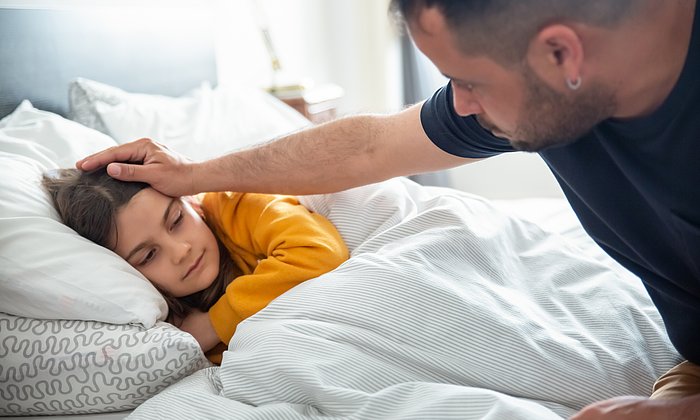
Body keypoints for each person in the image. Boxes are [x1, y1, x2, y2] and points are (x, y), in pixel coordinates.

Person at [76, 0, 699, 418]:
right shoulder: (556, 89)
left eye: (468, 79)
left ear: (560, 54)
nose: (457, 104)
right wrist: (194, 174)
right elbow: (373, 143)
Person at [42, 168, 348, 363]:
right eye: (148, 256)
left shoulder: (235, 201)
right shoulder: (162, 321)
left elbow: (320, 252)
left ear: (192, 203)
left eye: (176, 220)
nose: (181, 251)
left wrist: (216, 322)